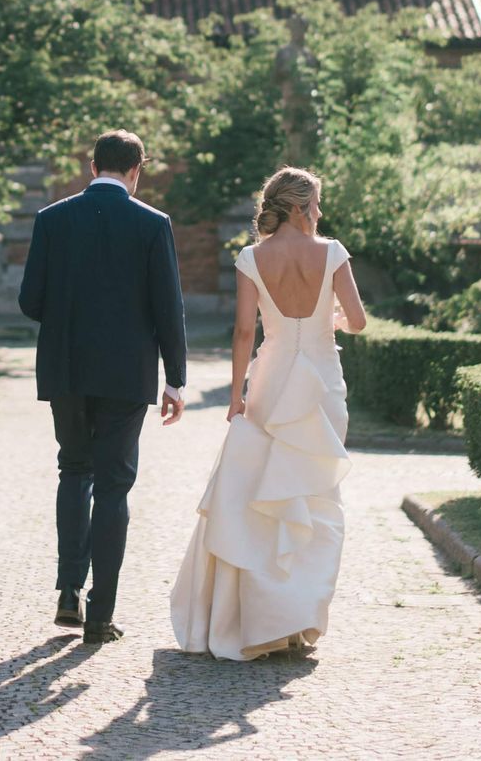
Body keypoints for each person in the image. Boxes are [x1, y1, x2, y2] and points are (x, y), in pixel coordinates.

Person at [171, 166, 364, 661]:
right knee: (316, 498)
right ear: (299, 208)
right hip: (322, 383)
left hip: (272, 380)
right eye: (316, 205)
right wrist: (333, 320)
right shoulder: (333, 253)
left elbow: (242, 333)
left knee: (263, 500)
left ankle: (267, 620)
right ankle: (298, 619)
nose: (320, 214)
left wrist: (236, 395)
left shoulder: (252, 258)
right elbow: (358, 322)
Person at [18, 130, 188, 644]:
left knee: (74, 469)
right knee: (114, 485)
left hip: (66, 367)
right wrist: (175, 379)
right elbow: (168, 308)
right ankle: (100, 613)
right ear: (137, 171)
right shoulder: (153, 224)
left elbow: (30, 301)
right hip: (126, 372)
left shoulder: (51, 219)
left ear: (92, 167)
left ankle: (68, 589)